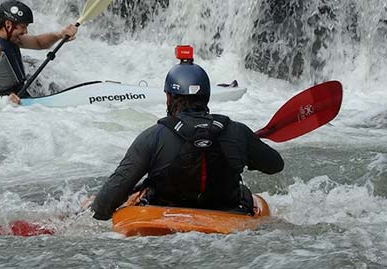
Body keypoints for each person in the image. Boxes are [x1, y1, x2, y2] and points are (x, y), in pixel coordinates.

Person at [91, 46, 284, 220]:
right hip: (228, 215)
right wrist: (245, 146)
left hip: (163, 219)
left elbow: (105, 203)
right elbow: (275, 165)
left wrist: (106, 210)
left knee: (138, 193)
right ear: (207, 95)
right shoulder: (237, 132)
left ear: (168, 97)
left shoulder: (153, 137)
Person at [0, 0, 77, 104]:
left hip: (16, 100)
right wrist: (3, 101)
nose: (26, 31)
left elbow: (39, 42)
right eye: (23, 26)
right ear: (8, 25)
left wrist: (60, 34)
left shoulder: (11, 39)